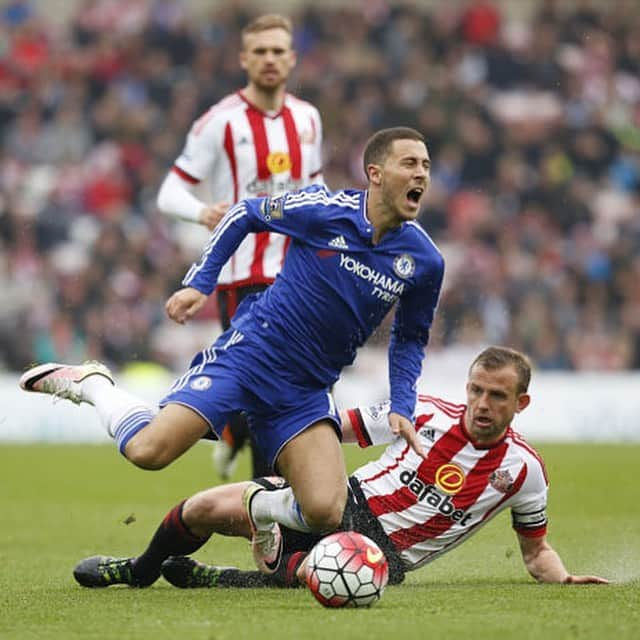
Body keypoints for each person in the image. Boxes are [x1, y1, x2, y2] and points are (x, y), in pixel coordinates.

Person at [19, 126, 443, 576]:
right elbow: (245, 213)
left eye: (427, 167)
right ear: (375, 173)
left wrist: (402, 403)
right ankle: (94, 385)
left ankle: (261, 513)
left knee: (325, 510)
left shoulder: (425, 260)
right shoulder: (324, 209)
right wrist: (200, 284)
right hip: (250, 356)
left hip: (306, 388)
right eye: (410, 163)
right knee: (149, 452)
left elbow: (411, 338)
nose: (421, 174)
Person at [69, 346, 608, 589]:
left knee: (319, 573)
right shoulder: (417, 413)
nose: (483, 403)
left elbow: (535, 551)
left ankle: (229, 575)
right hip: (341, 498)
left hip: (384, 553)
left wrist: (562, 578)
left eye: (497, 395)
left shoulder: (523, 471)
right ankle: (139, 570)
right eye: (476, 390)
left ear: (521, 404)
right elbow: (330, 427)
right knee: (204, 507)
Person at [156, 13, 325, 480]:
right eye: (260, 51)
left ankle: (237, 437)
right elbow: (169, 191)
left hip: (301, 275)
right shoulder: (220, 122)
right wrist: (203, 211)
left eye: (278, 51)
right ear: (244, 59)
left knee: (289, 386)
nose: (270, 59)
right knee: (265, 387)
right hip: (243, 276)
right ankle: (266, 501)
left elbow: (314, 187)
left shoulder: (308, 118)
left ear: (291, 59)